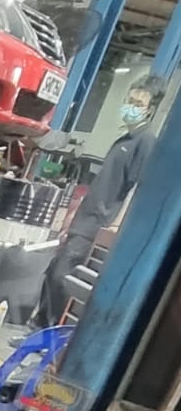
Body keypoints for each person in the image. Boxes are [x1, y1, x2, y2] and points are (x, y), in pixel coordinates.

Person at [32, 74, 166, 328]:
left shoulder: (145, 142)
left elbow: (137, 188)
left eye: (139, 104)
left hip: (98, 224)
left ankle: (52, 333)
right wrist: (73, 217)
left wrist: (115, 226)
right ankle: (40, 330)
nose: (131, 107)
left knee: (63, 277)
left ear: (150, 109)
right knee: (53, 272)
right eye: (130, 100)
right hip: (84, 220)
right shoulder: (123, 140)